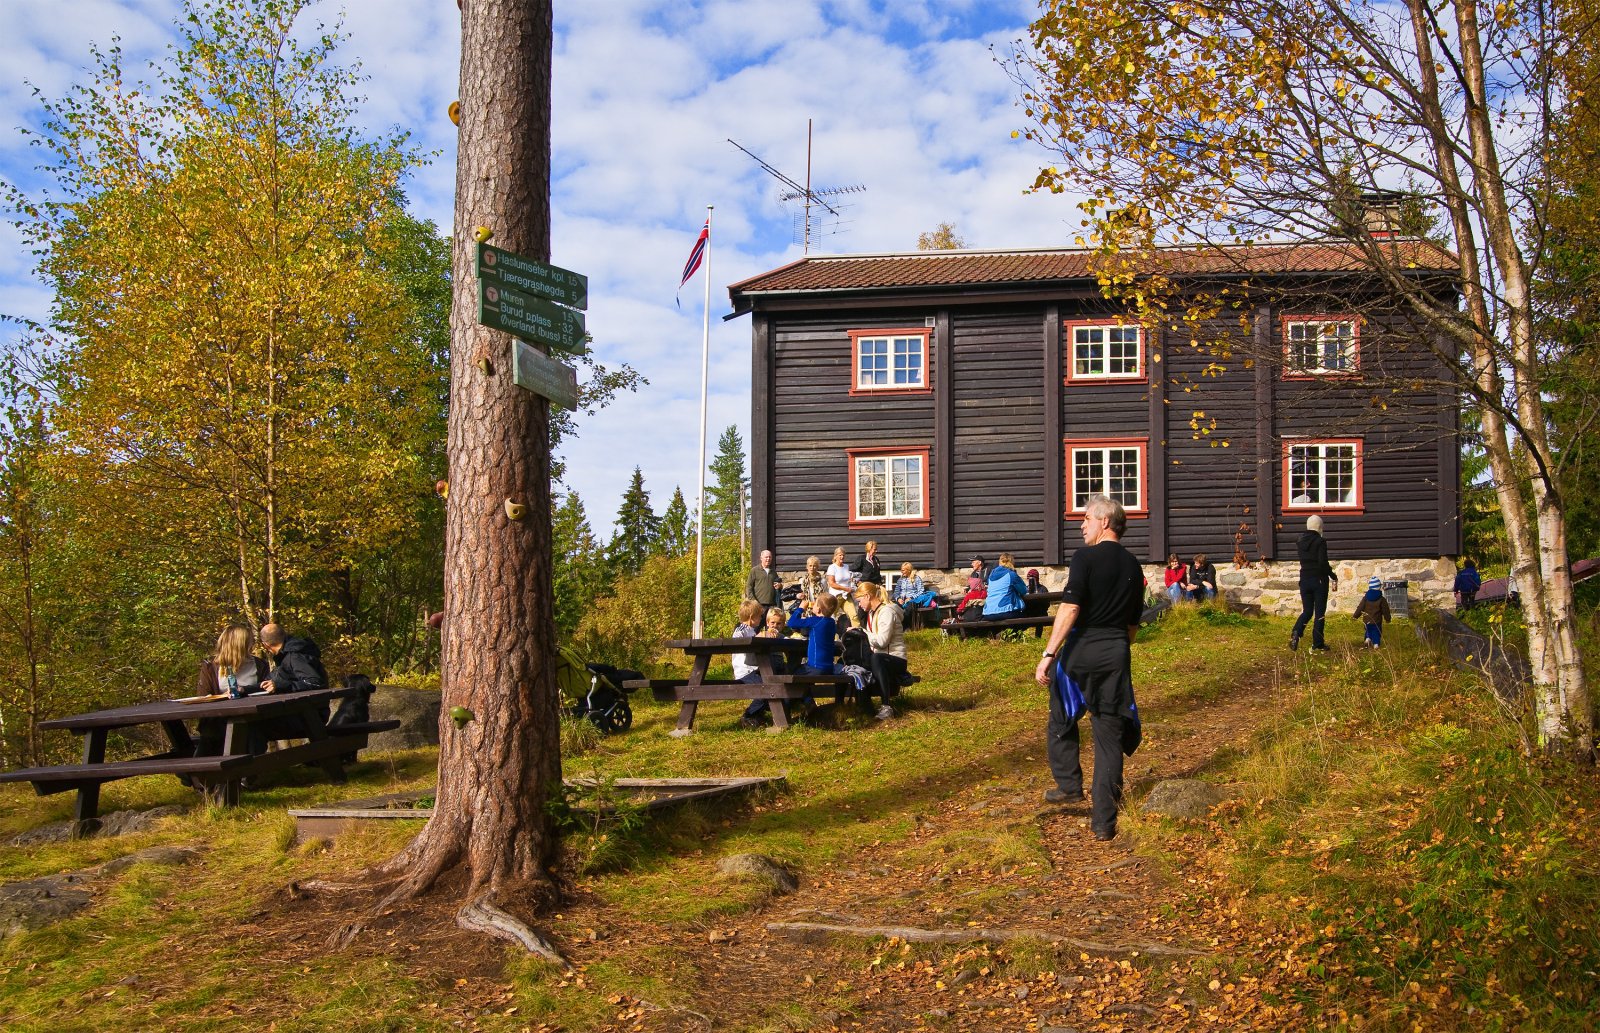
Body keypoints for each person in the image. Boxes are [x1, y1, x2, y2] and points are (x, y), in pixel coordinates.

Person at [1033, 495, 1146, 842]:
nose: (1081, 525)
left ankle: (1068, 785)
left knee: (1062, 715)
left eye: (1086, 519)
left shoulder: (1085, 558)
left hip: (1081, 651)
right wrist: (1117, 648)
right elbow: (1132, 624)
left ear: (1105, 522)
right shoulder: (1134, 566)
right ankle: (1103, 822)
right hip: (1116, 651)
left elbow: (1069, 609)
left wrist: (1049, 653)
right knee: (1108, 735)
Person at [194, 625, 271, 756]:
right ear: (241, 644)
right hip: (219, 719)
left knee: (250, 732)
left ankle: (250, 771)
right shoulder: (211, 667)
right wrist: (222, 696)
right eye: (250, 641)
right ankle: (195, 772)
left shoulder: (259, 665)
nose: (253, 644)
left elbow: (267, 692)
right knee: (211, 731)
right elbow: (203, 697)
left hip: (252, 718)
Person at [255, 623, 332, 752]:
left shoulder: (295, 656)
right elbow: (268, 681)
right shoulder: (286, 656)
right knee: (253, 725)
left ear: (265, 645)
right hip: (304, 713)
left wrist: (280, 686)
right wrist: (243, 690)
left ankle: (253, 768)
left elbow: (314, 683)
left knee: (253, 726)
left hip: (309, 716)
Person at [855, 582, 907, 721]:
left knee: (876, 658)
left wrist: (863, 634)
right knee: (855, 665)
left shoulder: (887, 612)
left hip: (895, 659)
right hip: (880, 658)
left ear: (867, 596)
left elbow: (882, 641)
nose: (859, 605)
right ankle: (864, 706)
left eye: (860, 601)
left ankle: (886, 706)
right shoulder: (872, 614)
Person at [1290, 515, 1337, 651]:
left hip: (1304, 579)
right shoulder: (1320, 541)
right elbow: (1322, 563)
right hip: (1319, 580)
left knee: (1307, 611)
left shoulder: (1299, 541)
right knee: (1319, 613)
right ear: (1319, 527)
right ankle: (1318, 643)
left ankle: (1296, 632)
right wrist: (1332, 575)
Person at [787, 593, 839, 676]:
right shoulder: (831, 622)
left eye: (815, 603)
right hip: (829, 668)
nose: (813, 605)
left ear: (818, 609)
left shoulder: (815, 621)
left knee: (790, 671)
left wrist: (800, 609)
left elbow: (791, 623)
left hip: (815, 668)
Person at [982, 552, 1029, 620]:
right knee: (1028, 615)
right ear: (1012, 562)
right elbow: (1023, 591)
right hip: (1004, 611)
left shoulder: (991, 576)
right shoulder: (1011, 574)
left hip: (988, 612)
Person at [1354, 576, 1391, 648]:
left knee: (1368, 629)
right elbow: (1385, 610)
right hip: (1377, 620)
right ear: (1379, 587)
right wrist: (1388, 619)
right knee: (1376, 632)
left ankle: (1368, 638)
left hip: (1367, 620)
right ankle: (1376, 644)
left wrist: (1356, 615)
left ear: (1370, 587)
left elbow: (1360, 607)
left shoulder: (1366, 597)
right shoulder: (1381, 599)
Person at [826, 546, 860, 626]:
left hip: (846, 596)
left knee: (854, 615)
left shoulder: (846, 567)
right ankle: (830, 636)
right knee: (831, 617)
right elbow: (831, 583)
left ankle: (857, 634)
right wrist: (845, 588)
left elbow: (849, 579)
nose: (842, 557)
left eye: (843, 555)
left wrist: (854, 584)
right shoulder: (832, 567)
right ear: (836, 556)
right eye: (840, 555)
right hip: (836, 596)